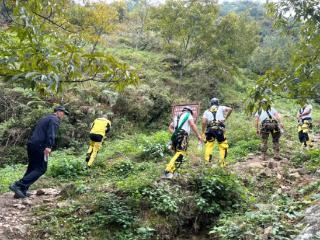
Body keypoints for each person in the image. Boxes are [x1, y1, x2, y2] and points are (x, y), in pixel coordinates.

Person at [9, 106, 69, 198]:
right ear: (58, 112)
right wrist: (49, 147)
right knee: (41, 168)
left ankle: (21, 191)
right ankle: (18, 185)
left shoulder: (45, 118)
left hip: (32, 144)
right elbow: (51, 134)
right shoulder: (54, 120)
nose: (63, 115)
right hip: (40, 146)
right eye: (63, 113)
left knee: (32, 168)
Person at [164, 106, 202, 178]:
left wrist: (175, 133)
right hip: (183, 136)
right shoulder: (188, 115)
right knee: (180, 153)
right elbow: (192, 124)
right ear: (190, 111)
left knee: (177, 154)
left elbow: (170, 127)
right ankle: (168, 170)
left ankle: (173, 172)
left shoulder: (177, 116)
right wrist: (198, 135)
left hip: (175, 137)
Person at [202, 98, 232, 167]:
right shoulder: (221, 108)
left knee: (208, 146)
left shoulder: (206, 111)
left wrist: (203, 131)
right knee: (222, 146)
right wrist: (225, 118)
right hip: (219, 130)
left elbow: (203, 122)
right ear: (218, 103)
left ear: (211, 103)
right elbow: (230, 109)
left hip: (210, 130)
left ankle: (207, 163)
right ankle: (222, 163)